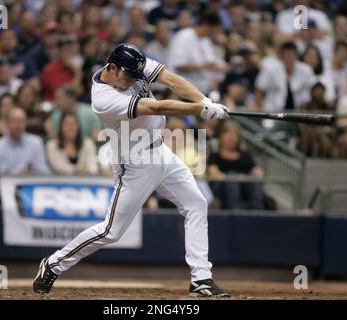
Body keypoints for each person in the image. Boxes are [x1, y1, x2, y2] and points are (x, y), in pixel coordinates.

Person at [33, 43, 231, 297]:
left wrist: (204, 100)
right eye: (129, 76)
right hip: (135, 162)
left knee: (196, 204)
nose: (134, 80)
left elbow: (171, 79)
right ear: (112, 68)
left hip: (161, 151)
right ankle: (53, 263)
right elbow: (156, 107)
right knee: (110, 231)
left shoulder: (132, 63)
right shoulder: (103, 98)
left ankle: (201, 278)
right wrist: (200, 110)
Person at [207, 122, 265, 210]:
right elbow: (214, 174)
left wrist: (246, 178)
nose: (231, 138)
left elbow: (258, 172)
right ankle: (235, 213)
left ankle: (258, 211)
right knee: (232, 177)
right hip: (223, 188)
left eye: (234, 135)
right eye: (228, 134)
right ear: (221, 136)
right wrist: (236, 177)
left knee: (253, 179)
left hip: (245, 186)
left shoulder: (245, 155)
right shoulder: (215, 155)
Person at [0, 107, 50, 175]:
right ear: (7, 123)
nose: (18, 125)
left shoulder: (36, 142)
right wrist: (18, 174)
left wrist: (33, 172)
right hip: (7, 184)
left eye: (22, 121)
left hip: (32, 183)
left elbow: (45, 171)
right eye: (15, 121)